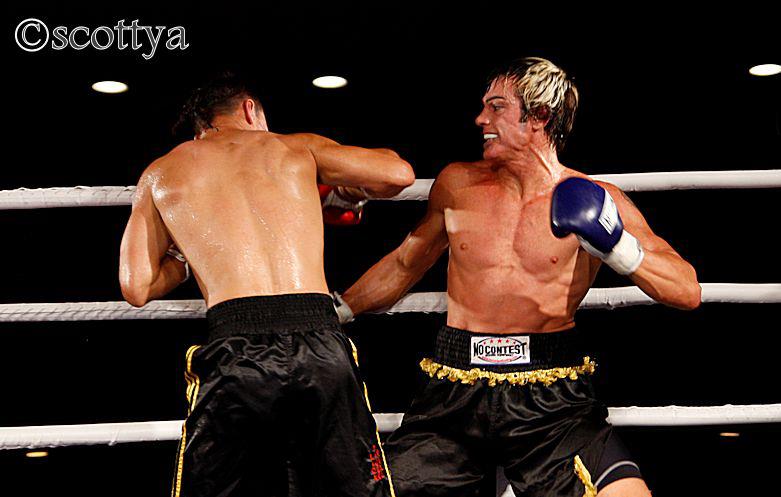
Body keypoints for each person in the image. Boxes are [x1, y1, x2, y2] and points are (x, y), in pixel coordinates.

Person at [335, 57, 701, 497]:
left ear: (539, 116)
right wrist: (338, 310)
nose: (480, 119)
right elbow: (404, 264)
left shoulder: (599, 199)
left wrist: (618, 246)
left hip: (553, 396)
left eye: (496, 107)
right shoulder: (457, 184)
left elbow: (687, 290)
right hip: (454, 391)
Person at [118, 72, 414, 497]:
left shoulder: (162, 172)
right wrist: (333, 185)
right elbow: (398, 173)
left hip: (235, 351)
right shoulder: (295, 147)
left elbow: (136, 286)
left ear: (200, 125)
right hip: (319, 342)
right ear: (249, 109)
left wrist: (185, 259)